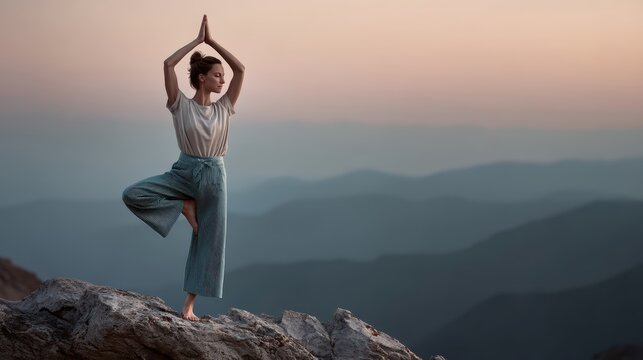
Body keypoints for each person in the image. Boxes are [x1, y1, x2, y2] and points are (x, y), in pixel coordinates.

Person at [121, 14, 244, 321]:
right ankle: (182, 206)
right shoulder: (180, 104)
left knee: (210, 241)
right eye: (217, 75)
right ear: (202, 78)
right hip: (183, 172)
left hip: (215, 175)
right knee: (133, 194)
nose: (223, 80)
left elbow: (240, 69)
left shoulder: (225, 106)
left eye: (222, 77)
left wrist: (212, 41)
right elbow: (167, 65)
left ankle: (189, 305)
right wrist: (196, 41)